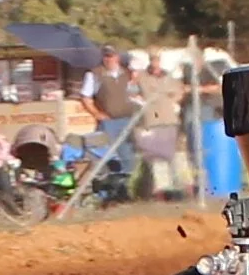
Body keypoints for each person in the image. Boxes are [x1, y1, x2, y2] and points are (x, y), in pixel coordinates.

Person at [134, 48, 186, 197]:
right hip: (152, 120)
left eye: (157, 59)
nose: (155, 62)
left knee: (174, 155)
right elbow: (133, 93)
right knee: (157, 157)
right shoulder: (141, 77)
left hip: (169, 120)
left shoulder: (168, 76)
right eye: (152, 59)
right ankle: (163, 190)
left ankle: (180, 189)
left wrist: (170, 102)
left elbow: (179, 93)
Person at [79, 45, 138, 172]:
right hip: (108, 122)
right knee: (108, 156)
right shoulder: (94, 74)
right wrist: (96, 113)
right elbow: (86, 97)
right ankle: (108, 186)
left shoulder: (127, 73)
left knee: (128, 156)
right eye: (105, 56)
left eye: (110, 56)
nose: (108, 59)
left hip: (128, 119)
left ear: (117, 57)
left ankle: (127, 184)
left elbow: (135, 93)